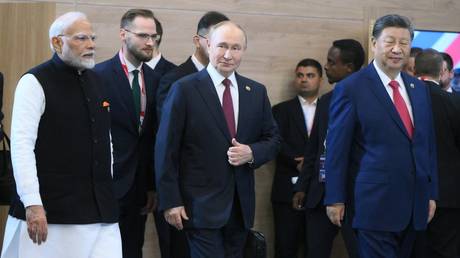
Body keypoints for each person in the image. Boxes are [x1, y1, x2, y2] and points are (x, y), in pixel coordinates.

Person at [155, 21, 280, 258]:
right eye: (222, 46)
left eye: (235, 48)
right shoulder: (184, 89)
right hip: (198, 207)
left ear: (243, 51)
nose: (227, 54)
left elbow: (273, 139)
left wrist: (252, 152)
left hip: (240, 208)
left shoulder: (256, 91)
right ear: (208, 45)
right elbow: (165, 149)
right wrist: (170, 201)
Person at [1, 11, 121, 258]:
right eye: (81, 38)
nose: (91, 45)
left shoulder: (98, 82)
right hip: (52, 213)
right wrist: (33, 204)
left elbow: (105, 140)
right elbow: (22, 146)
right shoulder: (34, 81)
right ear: (57, 42)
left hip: (101, 211)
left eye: (92, 38)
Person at [324, 14, 438, 258]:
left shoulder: (418, 89)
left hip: (414, 205)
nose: (397, 49)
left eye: (404, 43)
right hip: (373, 205)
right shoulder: (351, 88)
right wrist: (334, 198)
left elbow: (427, 145)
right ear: (374, 43)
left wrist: (431, 193)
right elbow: (336, 149)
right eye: (390, 41)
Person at [153, 11, 228, 258]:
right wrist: (171, 197)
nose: (223, 49)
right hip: (184, 196)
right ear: (199, 40)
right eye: (215, 40)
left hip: (222, 200)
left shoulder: (233, 84)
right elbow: (167, 143)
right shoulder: (175, 80)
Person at [94, 9, 160, 258]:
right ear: (123, 34)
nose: (150, 42)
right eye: (143, 35)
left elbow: (152, 137)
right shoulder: (97, 76)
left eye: (154, 36)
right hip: (105, 186)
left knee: (133, 249)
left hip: (139, 190)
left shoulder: (156, 79)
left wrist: (151, 185)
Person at [292, 39, 364, 258]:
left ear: (349, 67)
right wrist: (302, 186)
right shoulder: (326, 101)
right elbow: (314, 147)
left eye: (332, 62)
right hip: (319, 192)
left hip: (355, 195)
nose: (327, 66)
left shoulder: (369, 100)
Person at [271, 58, 323, 258]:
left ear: (320, 79)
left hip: (319, 190)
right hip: (286, 191)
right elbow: (273, 143)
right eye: (300, 75)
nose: (304, 80)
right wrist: (296, 161)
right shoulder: (280, 110)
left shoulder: (331, 108)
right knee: (285, 248)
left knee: (316, 249)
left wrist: (312, 164)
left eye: (310, 75)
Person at [412, 48, 460, 258]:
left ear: (413, 69)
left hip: (410, 191)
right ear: (442, 70)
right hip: (448, 194)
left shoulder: (403, 101)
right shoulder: (455, 102)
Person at [156, 11, 229, 119]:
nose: (220, 49)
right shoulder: (174, 79)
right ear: (197, 41)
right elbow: (168, 127)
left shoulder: (229, 80)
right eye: (215, 41)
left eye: (226, 44)